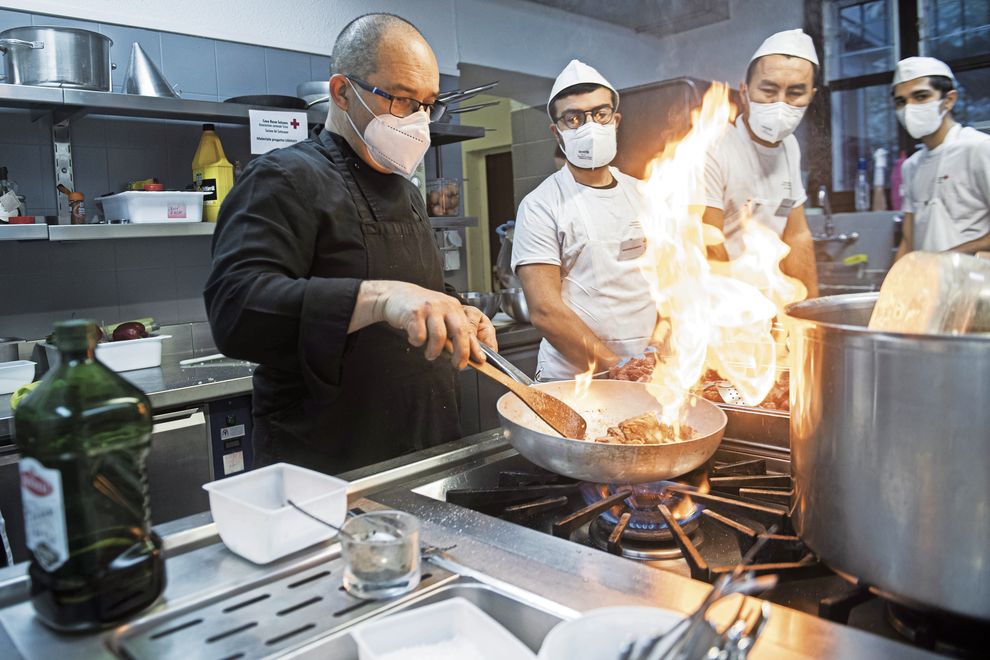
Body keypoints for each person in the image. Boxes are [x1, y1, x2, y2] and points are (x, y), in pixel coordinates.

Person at [204, 13, 496, 473]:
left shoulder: (407, 190)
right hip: (329, 463)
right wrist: (379, 297)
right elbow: (235, 309)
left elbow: (416, 290)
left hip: (423, 447)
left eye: (428, 104)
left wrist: (453, 309)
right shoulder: (282, 178)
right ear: (341, 91)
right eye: (402, 100)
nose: (419, 121)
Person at [511, 60, 656, 380]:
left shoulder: (646, 195)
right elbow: (545, 311)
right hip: (573, 380)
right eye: (574, 118)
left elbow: (671, 283)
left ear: (615, 120)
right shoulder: (540, 205)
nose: (590, 125)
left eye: (600, 114)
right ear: (557, 130)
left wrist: (656, 349)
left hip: (647, 375)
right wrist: (616, 366)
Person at [702, 29, 819, 297]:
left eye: (794, 93)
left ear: (810, 96)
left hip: (773, 297)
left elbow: (797, 235)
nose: (780, 104)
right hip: (726, 302)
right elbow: (709, 243)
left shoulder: (790, 146)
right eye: (768, 90)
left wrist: (813, 314)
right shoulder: (716, 147)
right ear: (744, 91)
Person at [892, 57, 990, 258]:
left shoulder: (979, 148)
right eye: (901, 101)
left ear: (949, 100)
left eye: (920, 96)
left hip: (976, 283)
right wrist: (891, 285)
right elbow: (908, 241)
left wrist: (943, 260)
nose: (909, 108)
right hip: (930, 284)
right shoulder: (911, 166)